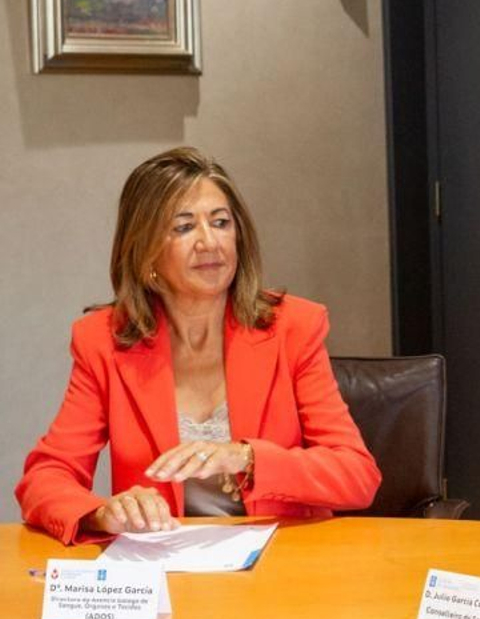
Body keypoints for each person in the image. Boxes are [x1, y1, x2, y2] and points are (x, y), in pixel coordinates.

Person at [16, 147, 380, 544]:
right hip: (168, 569)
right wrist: (102, 513)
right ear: (146, 252)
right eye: (184, 227)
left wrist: (246, 458)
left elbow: (357, 474)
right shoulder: (102, 341)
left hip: (285, 563)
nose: (210, 242)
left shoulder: (294, 327)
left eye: (221, 223)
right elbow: (46, 477)